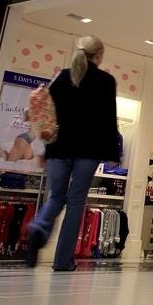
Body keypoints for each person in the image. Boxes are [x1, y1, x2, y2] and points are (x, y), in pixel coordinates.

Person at [24, 35, 120, 271]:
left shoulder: (62, 76)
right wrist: (113, 153)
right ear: (99, 55)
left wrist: (43, 150)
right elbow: (109, 119)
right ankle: (62, 261)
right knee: (76, 201)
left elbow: (47, 112)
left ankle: (39, 226)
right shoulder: (106, 81)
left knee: (56, 196)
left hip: (58, 147)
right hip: (88, 150)